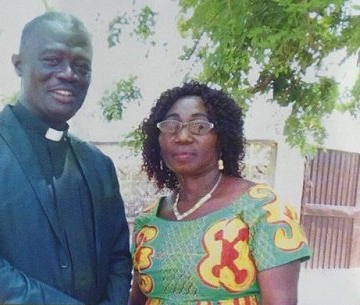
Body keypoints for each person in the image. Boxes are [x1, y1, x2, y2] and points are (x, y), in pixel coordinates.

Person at [0, 11, 132, 304]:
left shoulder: (98, 164)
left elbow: (117, 257)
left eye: (81, 65)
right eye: (52, 60)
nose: (68, 73)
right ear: (19, 65)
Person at [129, 81, 311, 305]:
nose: (182, 136)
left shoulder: (263, 208)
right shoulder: (148, 221)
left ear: (222, 137)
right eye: (171, 126)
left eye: (200, 126)